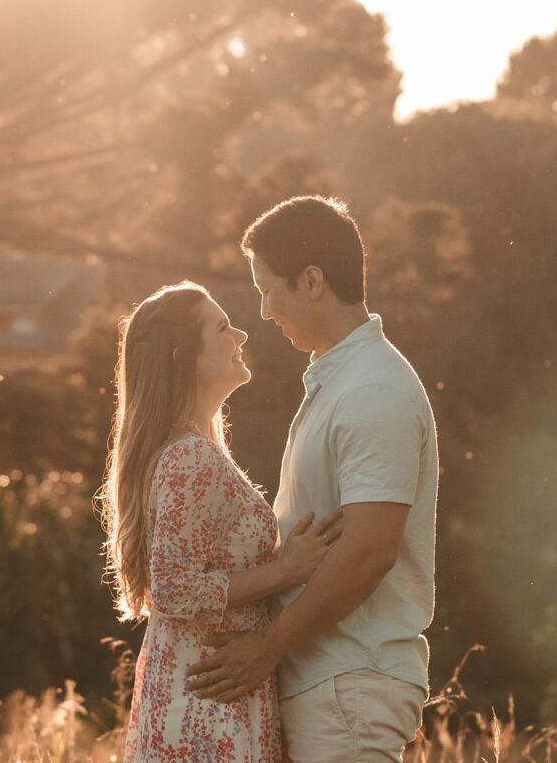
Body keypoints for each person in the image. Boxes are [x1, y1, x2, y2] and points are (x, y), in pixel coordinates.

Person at [189, 196, 440, 763]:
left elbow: (371, 550)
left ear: (312, 281)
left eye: (268, 289)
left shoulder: (371, 391)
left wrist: (266, 648)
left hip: (348, 684)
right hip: (330, 683)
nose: (263, 310)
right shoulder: (342, 382)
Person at [101, 281, 345, 762]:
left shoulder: (190, 449)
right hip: (207, 710)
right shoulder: (190, 457)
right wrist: (286, 570)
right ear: (183, 357)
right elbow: (172, 588)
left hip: (204, 692)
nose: (241, 335)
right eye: (221, 327)